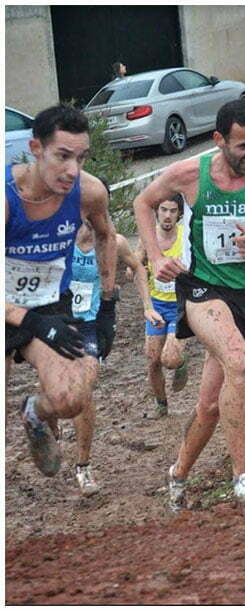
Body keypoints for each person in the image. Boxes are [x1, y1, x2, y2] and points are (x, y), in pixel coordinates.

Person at [134, 99, 245, 510]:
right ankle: (242, 479)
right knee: (240, 361)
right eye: (242, 147)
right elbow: (141, 203)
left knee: (211, 404)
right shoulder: (189, 174)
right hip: (202, 290)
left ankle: (177, 474)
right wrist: (157, 258)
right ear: (219, 140)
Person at [5, 103, 118, 480]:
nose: (73, 170)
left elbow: (106, 235)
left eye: (81, 158)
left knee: (73, 398)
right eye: (63, 156)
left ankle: (35, 411)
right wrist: (31, 323)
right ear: (36, 149)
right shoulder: (6, 200)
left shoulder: (88, 193)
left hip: (50, 302)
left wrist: (108, 303)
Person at [70, 210, 145, 495]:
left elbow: (138, 267)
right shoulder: (61, 237)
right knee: (54, 394)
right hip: (56, 320)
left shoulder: (115, 242)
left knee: (84, 389)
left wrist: (147, 306)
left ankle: (83, 467)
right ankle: (45, 420)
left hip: (90, 324)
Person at [129, 194, 188, 419]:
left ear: (179, 214)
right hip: (156, 305)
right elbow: (135, 264)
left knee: (169, 359)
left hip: (181, 305)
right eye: (163, 210)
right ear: (156, 212)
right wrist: (134, 267)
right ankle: (161, 405)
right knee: (153, 358)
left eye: (173, 211)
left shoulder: (185, 236)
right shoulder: (148, 237)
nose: (167, 215)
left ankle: (181, 362)